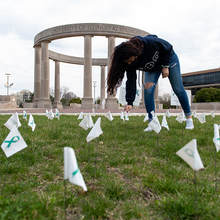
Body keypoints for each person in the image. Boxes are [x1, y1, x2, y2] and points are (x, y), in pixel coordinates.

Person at [107, 34, 194, 130]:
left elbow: (168, 47)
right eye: (127, 62)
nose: (129, 63)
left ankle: (189, 119)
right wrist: (130, 102)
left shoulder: (150, 43)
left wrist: (165, 65)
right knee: (148, 90)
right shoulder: (130, 63)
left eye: (129, 60)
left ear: (133, 52)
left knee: (178, 88)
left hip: (169, 59)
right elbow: (131, 81)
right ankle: (152, 123)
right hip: (153, 68)